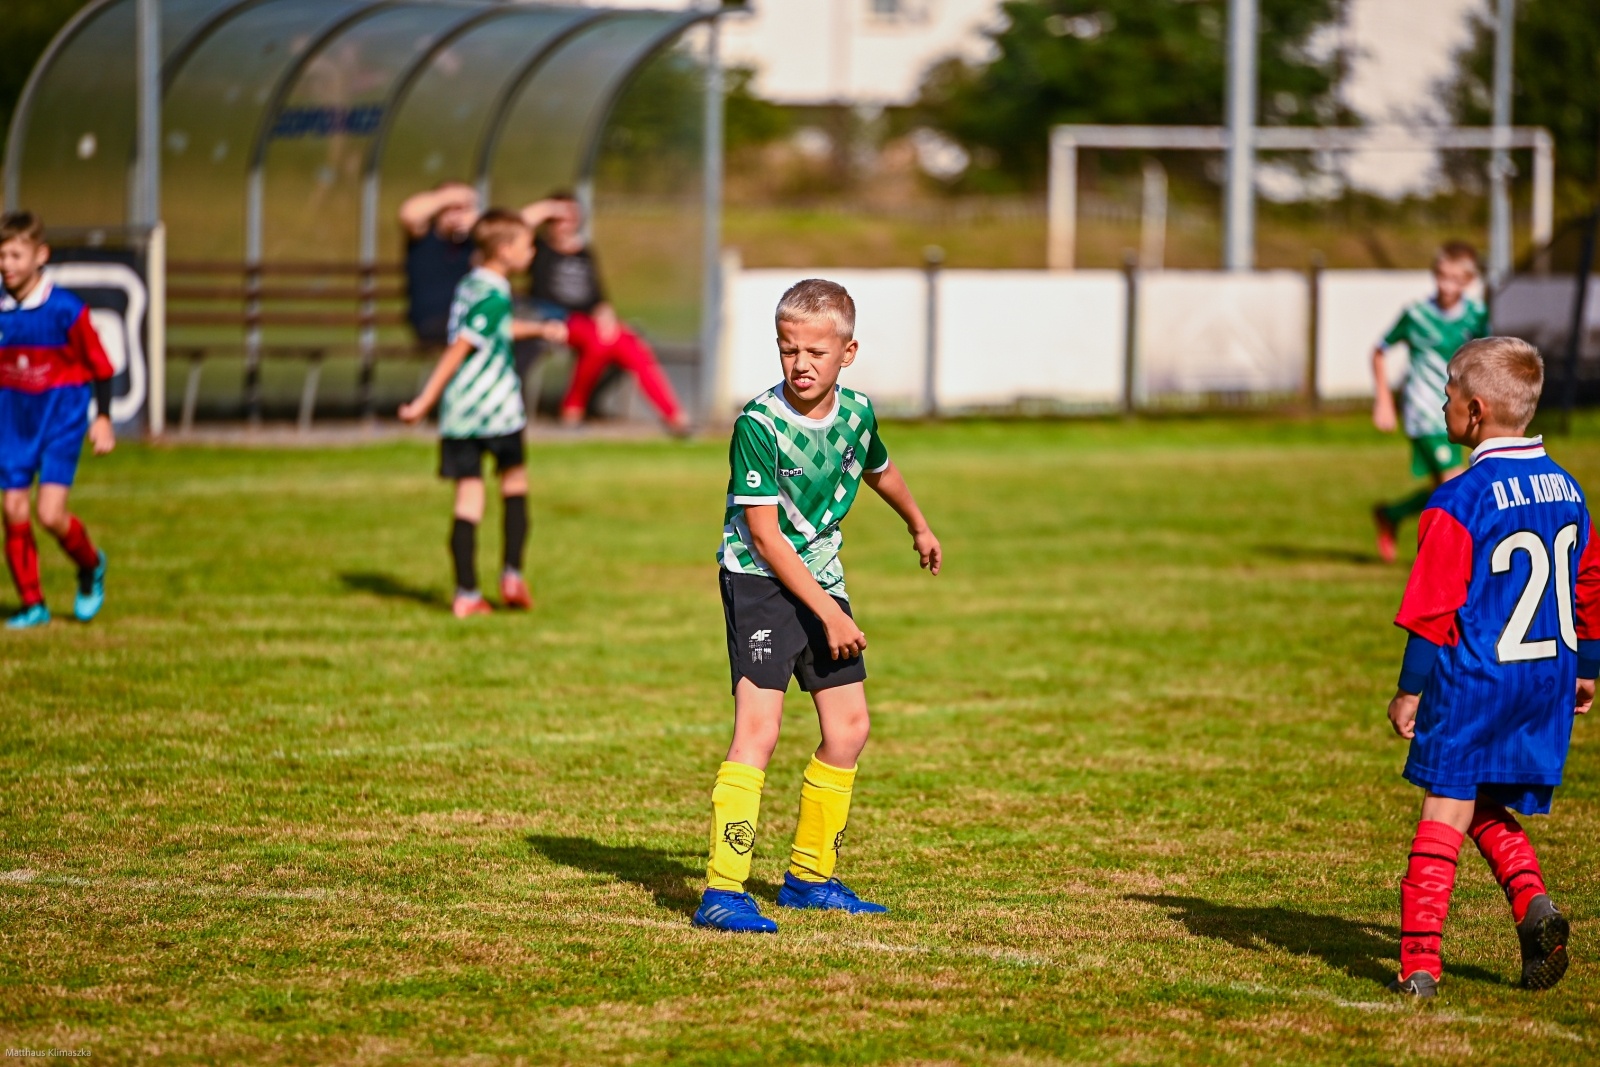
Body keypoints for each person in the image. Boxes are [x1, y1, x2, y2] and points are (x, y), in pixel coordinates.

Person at [693, 279, 942, 934]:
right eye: (788, 350)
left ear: (847, 353)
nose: (800, 364)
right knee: (760, 729)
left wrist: (918, 524)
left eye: (815, 352)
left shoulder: (857, 413)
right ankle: (723, 889)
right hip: (759, 579)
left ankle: (808, 877)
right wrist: (830, 614)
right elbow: (765, 536)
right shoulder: (759, 424)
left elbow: (878, 468)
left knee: (849, 727)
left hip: (821, 576)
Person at [1385, 336, 1595, 997]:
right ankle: (1533, 905)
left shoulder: (1459, 498)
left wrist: (1409, 690)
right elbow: (1589, 581)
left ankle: (1420, 965)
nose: (1442, 403)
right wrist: (1588, 666)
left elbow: (1432, 610)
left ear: (1474, 410)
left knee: (1443, 808)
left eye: (1447, 393)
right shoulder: (1568, 487)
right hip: (1546, 678)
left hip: (1478, 676)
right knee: (1478, 798)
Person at [398, 210, 561, 619]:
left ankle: (466, 592)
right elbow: (460, 348)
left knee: (468, 498)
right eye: (526, 245)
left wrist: (538, 329)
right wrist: (423, 401)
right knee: (513, 484)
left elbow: (493, 328)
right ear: (504, 250)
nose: (532, 252)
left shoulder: (472, 284)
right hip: (496, 410)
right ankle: (511, 574)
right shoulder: (494, 295)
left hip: (460, 415)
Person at [0, 211, 114, 630]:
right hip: (13, 421)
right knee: (13, 507)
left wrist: (103, 418)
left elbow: (101, 366)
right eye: (1, 256)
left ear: (41, 255)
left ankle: (91, 564)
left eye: (15, 255)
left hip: (60, 421)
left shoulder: (66, 310)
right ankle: (33, 604)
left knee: (49, 514)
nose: (6, 264)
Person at [523, 193, 690, 435]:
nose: (566, 223)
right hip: (556, 320)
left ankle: (675, 417)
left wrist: (606, 316)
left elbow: (598, 296)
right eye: (560, 218)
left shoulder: (584, 252)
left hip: (590, 322)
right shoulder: (538, 248)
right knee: (599, 341)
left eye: (572, 217)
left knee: (632, 345)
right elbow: (514, 226)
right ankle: (572, 408)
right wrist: (549, 207)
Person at [1371, 242, 1488, 563]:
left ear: (1468, 280)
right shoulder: (1416, 314)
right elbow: (1379, 350)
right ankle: (1457, 559)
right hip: (1424, 412)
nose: (1445, 285)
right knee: (1457, 482)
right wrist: (1383, 399)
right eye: (1441, 276)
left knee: (1444, 489)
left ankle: (1392, 515)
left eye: (1455, 279)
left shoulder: (1477, 315)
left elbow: (1485, 358)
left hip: (1458, 411)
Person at [399, 181, 481, 348]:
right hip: (432, 321)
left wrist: (478, 226)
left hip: (468, 315)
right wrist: (454, 195)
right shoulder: (424, 235)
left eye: (462, 208)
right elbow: (409, 214)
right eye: (450, 208)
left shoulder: (474, 240)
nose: (456, 215)